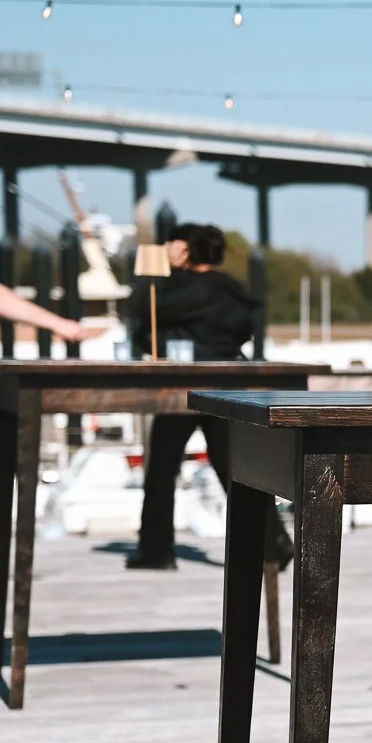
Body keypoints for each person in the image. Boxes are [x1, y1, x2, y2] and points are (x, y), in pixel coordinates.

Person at [123, 224, 287, 570]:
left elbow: (143, 312)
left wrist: (158, 274)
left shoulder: (182, 289)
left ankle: (157, 550)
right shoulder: (233, 290)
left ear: (187, 250)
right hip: (229, 385)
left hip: (184, 387)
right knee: (236, 469)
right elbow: (244, 327)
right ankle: (273, 541)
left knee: (163, 467)